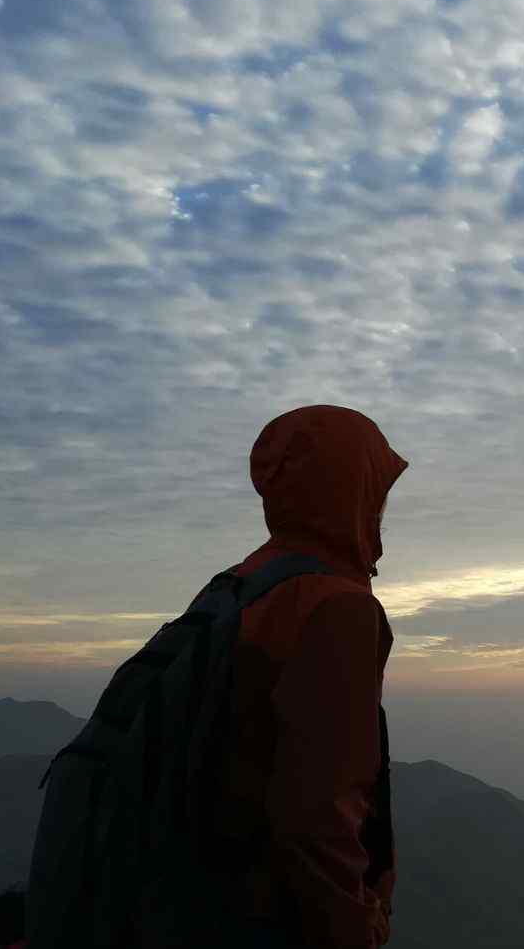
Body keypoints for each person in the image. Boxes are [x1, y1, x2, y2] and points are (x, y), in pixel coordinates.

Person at [217, 405, 409, 948]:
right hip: (268, 919)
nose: (382, 511)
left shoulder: (239, 587)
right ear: (349, 491)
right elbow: (317, 821)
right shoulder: (334, 608)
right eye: (376, 490)